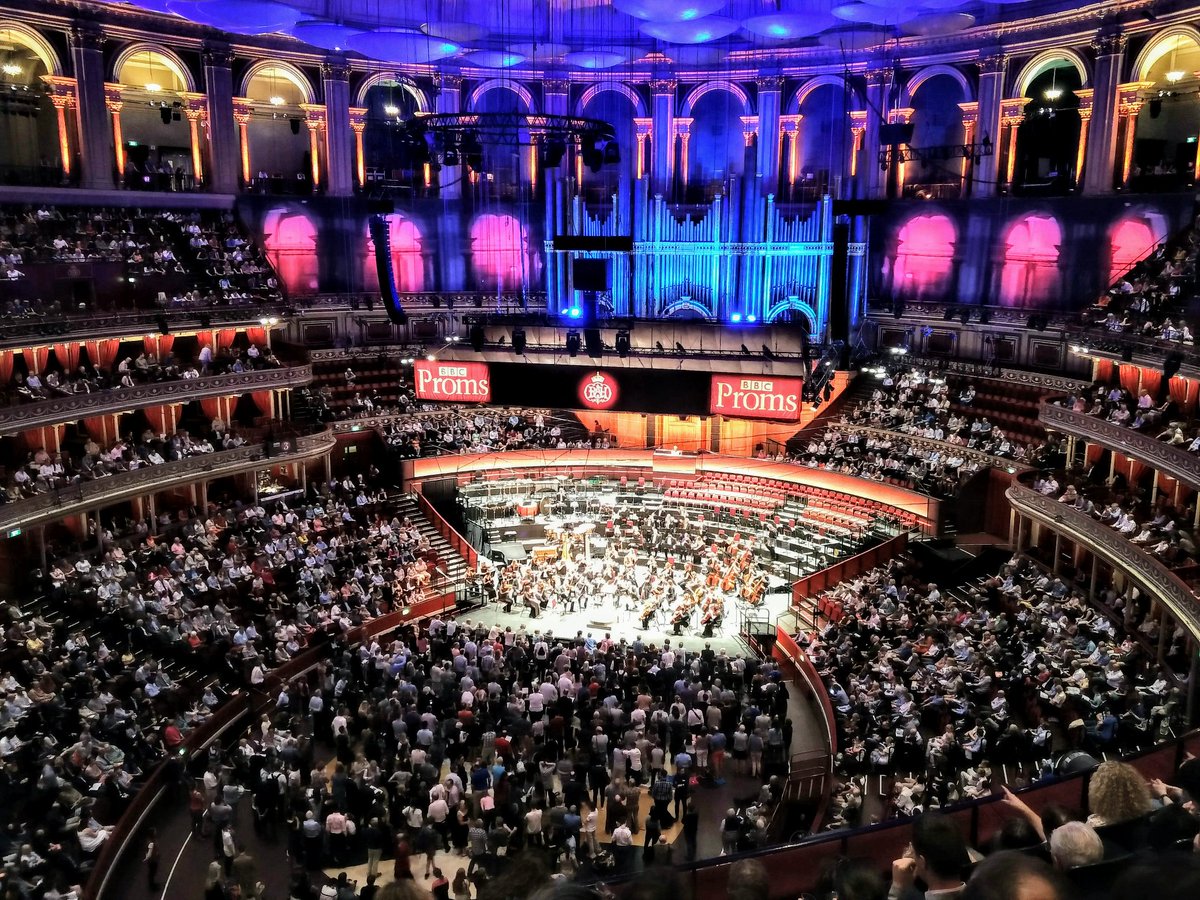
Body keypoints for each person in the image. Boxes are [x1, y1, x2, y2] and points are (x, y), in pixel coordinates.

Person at [889, 813, 969, 900]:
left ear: (922, 862)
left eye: (913, 852)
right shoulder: (979, 889)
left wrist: (897, 888)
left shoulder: (909, 895)